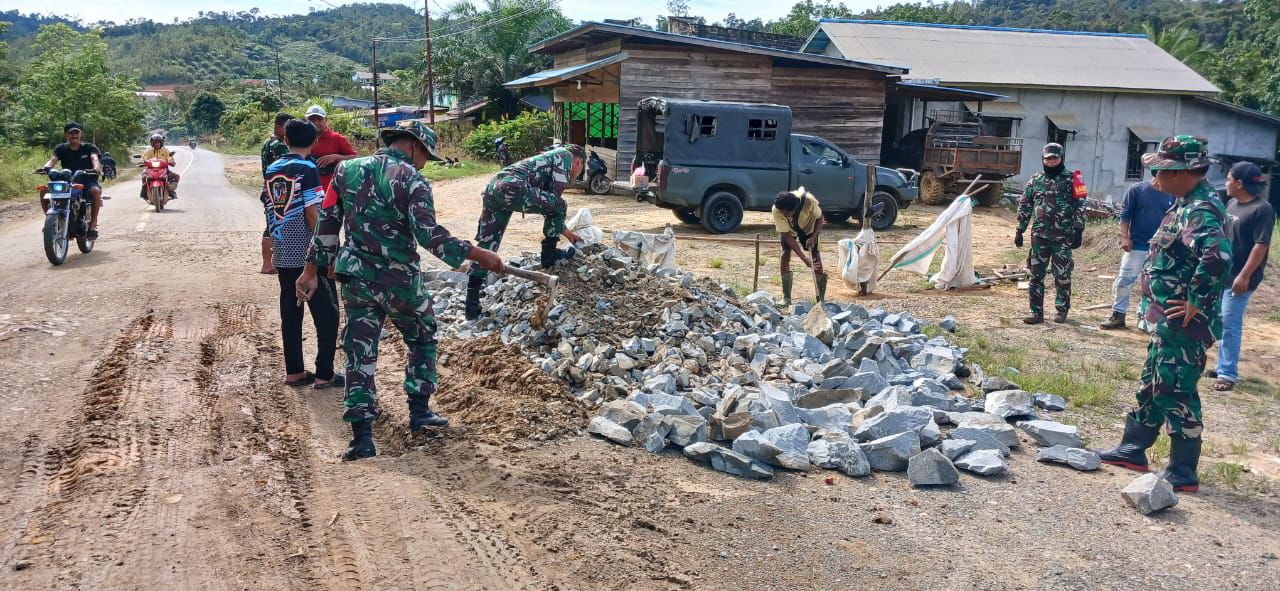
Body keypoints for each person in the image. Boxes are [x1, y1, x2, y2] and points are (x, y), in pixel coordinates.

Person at [296, 121, 505, 461]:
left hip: (356, 278)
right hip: (399, 280)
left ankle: (361, 438)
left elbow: (328, 221)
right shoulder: (412, 178)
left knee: (359, 351)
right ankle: (420, 411)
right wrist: (478, 254)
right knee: (422, 338)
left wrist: (311, 270)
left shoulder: (345, 170)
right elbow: (428, 235)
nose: (424, 163)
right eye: (425, 155)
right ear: (413, 146)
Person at [1098, 135, 1231, 493]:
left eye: (1162, 170)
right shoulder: (1183, 202)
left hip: (1183, 324)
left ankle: (1183, 471)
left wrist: (1195, 301)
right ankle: (1133, 449)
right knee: (1153, 382)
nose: (1155, 177)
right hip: (1165, 322)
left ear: (1186, 171)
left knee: (1176, 389)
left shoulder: (1200, 208)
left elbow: (1217, 258)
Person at [463, 144, 584, 321]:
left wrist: (567, 233)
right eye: (580, 169)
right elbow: (555, 200)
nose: (576, 173)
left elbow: (549, 205)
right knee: (560, 204)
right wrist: (561, 230)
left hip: (493, 189)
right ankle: (549, 254)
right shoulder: (565, 156)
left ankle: (471, 303)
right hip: (514, 188)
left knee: (487, 245)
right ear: (579, 162)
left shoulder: (546, 157)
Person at [264, 119, 342, 389]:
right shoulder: (308, 168)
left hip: (283, 249)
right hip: (307, 253)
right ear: (314, 142)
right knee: (328, 314)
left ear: (285, 140)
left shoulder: (273, 168)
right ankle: (325, 373)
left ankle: (295, 372)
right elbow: (313, 212)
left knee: (291, 311)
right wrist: (326, 249)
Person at [1208, 162, 1274, 392]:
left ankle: (1227, 374)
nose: (1225, 182)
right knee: (1218, 320)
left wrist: (1245, 276)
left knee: (1229, 323)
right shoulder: (1233, 203)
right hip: (1224, 273)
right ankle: (1221, 365)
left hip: (1241, 277)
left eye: (1228, 178)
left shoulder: (1262, 209)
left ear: (1239, 183)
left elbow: (1261, 245)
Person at [1015, 142, 1085, 324]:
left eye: (1054, 158)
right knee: (1035, 274)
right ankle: (1036, 312)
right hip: (1039, 236)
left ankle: (1062, 309)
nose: (1051, 161)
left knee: (1062, 275)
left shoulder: (1073, 178)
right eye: (1047, 158)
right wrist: (1019, 229)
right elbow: (1025, 204)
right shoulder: (1035, 179)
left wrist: (1079, 228)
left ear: (1061, 158)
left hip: (1063, 237)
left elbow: (1080, 204)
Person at [1100, 174, 1175, 329]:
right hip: (1137, 245)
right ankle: (1118, 315)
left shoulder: (1173, 193)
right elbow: (1125, 214)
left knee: (1154, 285)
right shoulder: (1137, 189)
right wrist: (1125, 237)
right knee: (1124, 281)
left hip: (1160, 248)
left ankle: (1148, 321)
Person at [40, 122, 103, 239]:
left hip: (87, 179)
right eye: (71, 133)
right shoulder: (61, 148)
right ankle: (51, 222)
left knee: (95, 191)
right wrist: (46, 167)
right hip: (67, 179)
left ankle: (93, 226)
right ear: (66, 135)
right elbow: (53, 160)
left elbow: (94, 158)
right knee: (44, 191)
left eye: (76, 132)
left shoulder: (89, 147)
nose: (74, 135)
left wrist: (96, 167)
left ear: (81, 134)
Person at [772, 187, 826, 306]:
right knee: (785, 253)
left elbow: (820, 218)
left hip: (809, 227)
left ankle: (821, 299)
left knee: (815, 257)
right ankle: (786, 298)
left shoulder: (809, 201)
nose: (783, 215)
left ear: (795, 208)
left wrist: (813, 237)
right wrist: (805, 259)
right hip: (790, 229)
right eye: (781, 212)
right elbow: (787, 236)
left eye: (786, 213)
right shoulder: (777, 209)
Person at [260, 112, 295, 274]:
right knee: (275, 227)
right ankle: (270, 264)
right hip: (279, 190)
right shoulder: (280, 146)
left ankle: (269, 263)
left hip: (268, 189)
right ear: (279, 127)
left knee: (271, 226)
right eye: (287, 127)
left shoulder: (267, 142)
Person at [305, 105, 357, 192]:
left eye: (319, 119)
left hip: (332, 188)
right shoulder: (304, 138)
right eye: (312, 120)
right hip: (310, 189)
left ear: (326, 120)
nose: (316, 122)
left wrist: (334, 157)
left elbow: (353, 157)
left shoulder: (337, 138)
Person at [139, 133, 180, 200]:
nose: (156, 144)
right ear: (152, 143)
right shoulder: (149, 151)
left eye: (158, 142)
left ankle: (170, 190)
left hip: (164, 169)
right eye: (155, 142)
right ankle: (145, 193)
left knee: (176, 176)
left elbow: (169, 157)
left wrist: (171, 161)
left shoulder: (165, 151)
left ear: (161, 143)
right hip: (150, 169)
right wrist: (141, 161)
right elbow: (143, 157)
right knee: (144, 176)